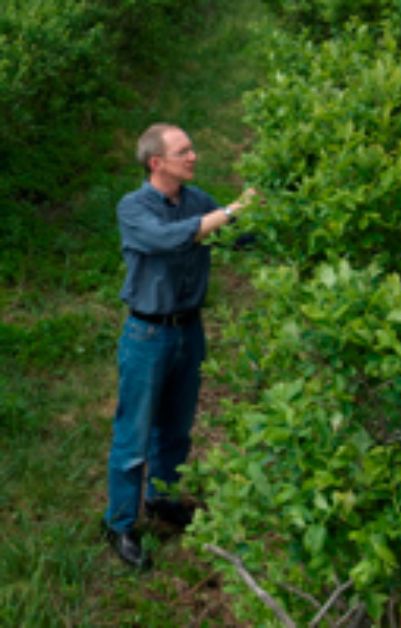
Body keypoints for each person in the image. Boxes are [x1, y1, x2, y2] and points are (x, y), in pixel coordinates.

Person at [102, 123, 255, 569]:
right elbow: (169, 238)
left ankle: (163, 500)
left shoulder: (196, 200)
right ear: (157, 162)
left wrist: (276, 225)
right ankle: (121, 523)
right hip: (147, 334)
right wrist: (231, 209)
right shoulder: (133, 208)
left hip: (190, 329)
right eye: (183, 151)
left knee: (176, 427)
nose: (193, 156)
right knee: (133, 436)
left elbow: (232, 236)